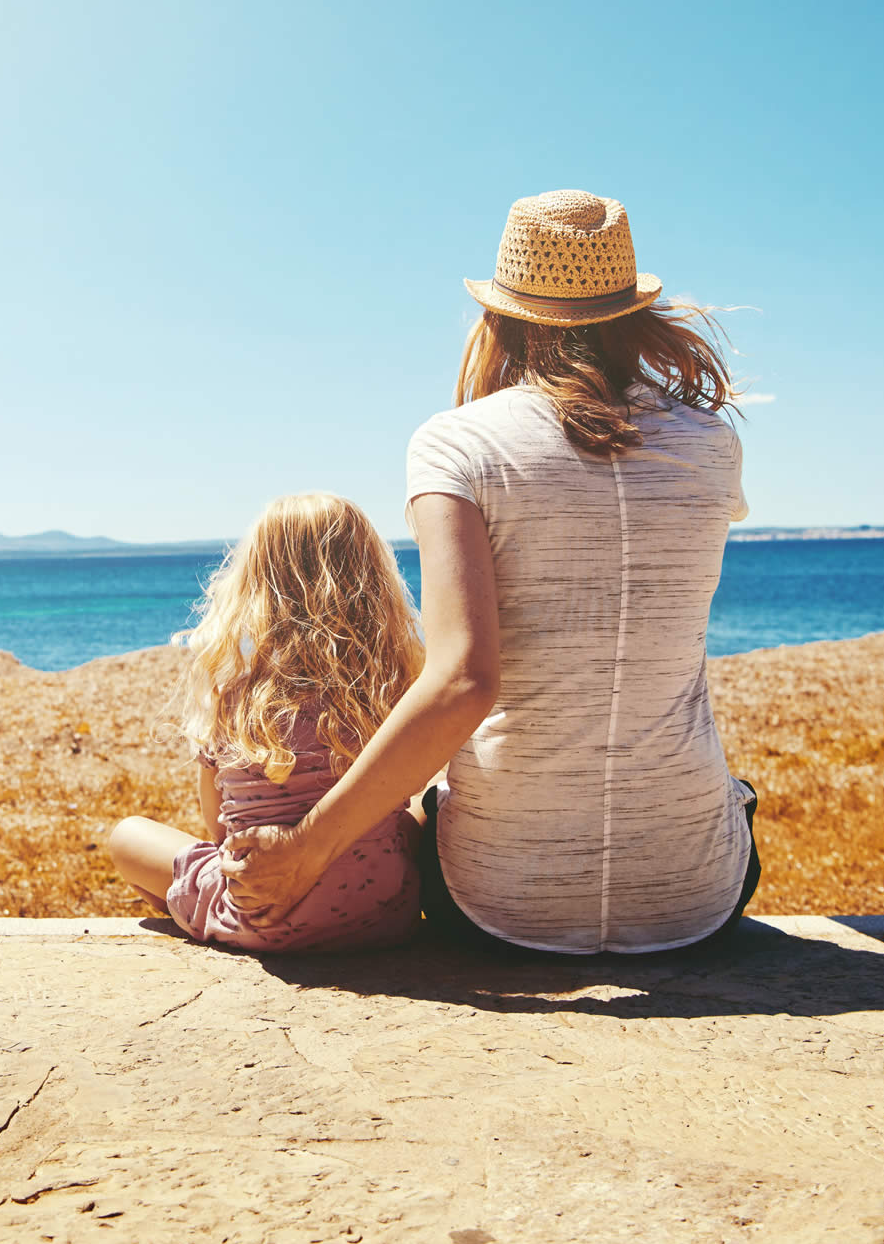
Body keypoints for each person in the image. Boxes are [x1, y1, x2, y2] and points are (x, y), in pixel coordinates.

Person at [220, 189, 761, 955]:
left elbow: (464, 681)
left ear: (502, 314)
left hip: (501, 900)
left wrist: (306, 850)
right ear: (631, 312)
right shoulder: (711, 444)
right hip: (694, 896)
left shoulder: (455, 447)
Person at [105, 492, 425, 952]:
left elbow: (219, 830)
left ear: (254, 585)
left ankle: (206, 918)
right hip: (380, 916)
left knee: (126, 836)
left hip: (257, 916)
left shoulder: (234, 695)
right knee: (418, 813)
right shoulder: (389, 688)